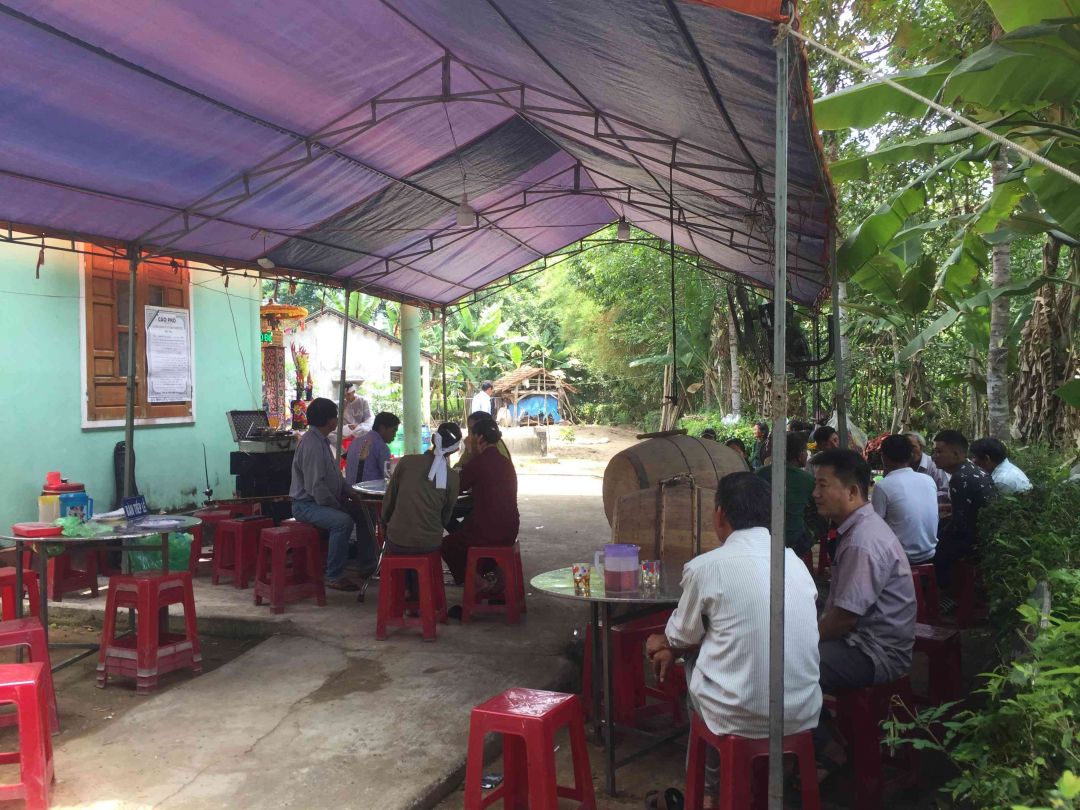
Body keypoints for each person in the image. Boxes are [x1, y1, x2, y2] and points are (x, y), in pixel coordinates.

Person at [645, 473, 821, 799]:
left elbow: (681, 636)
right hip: (802, 711)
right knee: (723, 646)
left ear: (720, 514)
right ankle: (766, 789)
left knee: (692, 661)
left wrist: (661, 644)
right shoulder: (795, 563)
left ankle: (710, 794)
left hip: (739, 715)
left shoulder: (706, 567)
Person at [811, 449, 915, 762]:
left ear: (852, 491)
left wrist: (802, 641)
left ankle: (827, 751)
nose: (815, 494)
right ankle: (830, 736)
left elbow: (844, 619)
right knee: (788, 655)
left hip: (875, 651)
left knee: (783, 669)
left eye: (822, 485)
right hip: (864, 639)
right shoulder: (859, 528)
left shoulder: (862, 541)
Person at [289, 398, 377, 591]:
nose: (337, 420)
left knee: (366, 512)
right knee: (342, 521)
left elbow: (335, 476)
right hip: (307, 505)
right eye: (336, 417)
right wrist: (337, 505)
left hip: (322, 500)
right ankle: (334, 575)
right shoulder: (312, 444)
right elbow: (316, 487)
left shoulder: (322, 441)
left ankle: (366, 565)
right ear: (329, 420)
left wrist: (352, 493)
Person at [442, 419, 519, 592]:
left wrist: (470, 452)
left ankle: (479, 583)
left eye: (471, 434)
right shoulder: (505, 461)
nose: (468, 438)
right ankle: (499, 576)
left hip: (489, 529)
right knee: (464, 533)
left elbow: (456, 487)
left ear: (479, 438)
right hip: (510, 528)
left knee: (447, 545)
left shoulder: (479, 462)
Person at [382, 422, 462, 557]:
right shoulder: (453, 477)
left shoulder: (406, 462)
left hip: (397, 540)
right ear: (455, 450)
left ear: (433, 439)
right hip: (429, 542)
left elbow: (389, 501)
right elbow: (446, 516)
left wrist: (385, 523)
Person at [932, 430, 996, 586]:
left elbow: (960, 525)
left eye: (939, 451)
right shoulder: (973, 469)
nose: (934, 456)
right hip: (989, 532)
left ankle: (945, 593)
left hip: (978, 540)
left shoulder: (960, 478)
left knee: (932, 551)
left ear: (956, 454)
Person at [870, 434, 938, 564]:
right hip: (930, 553)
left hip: (900, 558)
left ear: (883, 457)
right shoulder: (928, 480)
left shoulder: (883, 486)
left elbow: (875, 526)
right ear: (910, 455)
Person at [755, 431, 819, 557]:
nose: (807, 454)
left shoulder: (760, 474)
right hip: (795, 543)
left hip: (762, 539)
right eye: (805, 451)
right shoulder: (807, 480)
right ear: (800, 455)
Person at [345, 411, 400, 485]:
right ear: (382, 428)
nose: (395, 435)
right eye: (393, 431)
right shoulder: (381, 447)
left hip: (350, 489)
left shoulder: (355, 442)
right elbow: (389, 477)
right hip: (369, 490)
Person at [905, 432, 950, 499]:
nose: (909, 450)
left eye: (912, 447)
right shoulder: (901, 465)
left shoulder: (934, 465)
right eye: (905, 447)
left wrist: (926, 496)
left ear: (921, 448)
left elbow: (945, 491)